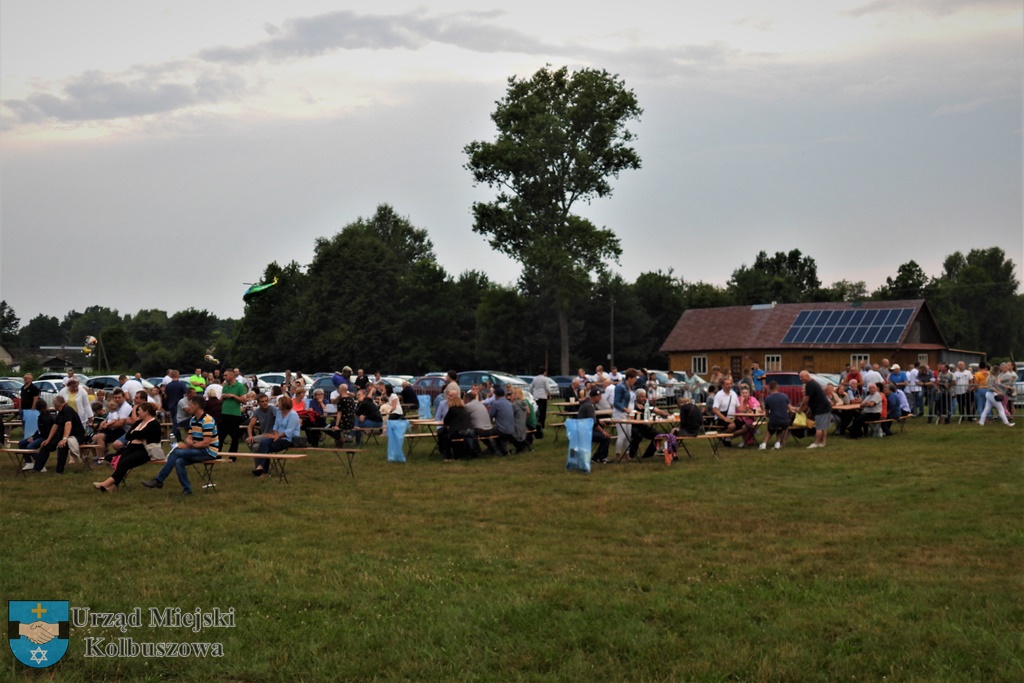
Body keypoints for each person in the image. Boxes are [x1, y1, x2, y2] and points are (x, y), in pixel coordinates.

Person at [142, 395, 219, 496]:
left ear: (197, 406)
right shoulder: (193, 420)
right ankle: (187, 490)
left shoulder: (207, 420)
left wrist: (189, 446)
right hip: (198, 449)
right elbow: (190, 437)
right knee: (179, 461)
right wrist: (188, 441)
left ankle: (159, 480)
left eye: (190, 405)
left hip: (208, 451)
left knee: (177, 452)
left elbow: (206, 443)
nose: (189, 407)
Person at [92, 402, 161, 492]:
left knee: (125, 462)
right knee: (121, 462)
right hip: (131, 447)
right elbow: (128, 435)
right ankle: (112, 487)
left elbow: (144, 434)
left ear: (146, 412)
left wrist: (135, 434)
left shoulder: (154, 424)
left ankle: (106, 483)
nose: (137, 413)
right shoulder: (139, 422)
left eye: (139, 411)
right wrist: (136, 434)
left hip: (146, 451)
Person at [32, 395, 86, 473]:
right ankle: (37, 468)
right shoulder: (60, 412)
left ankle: (59, 471)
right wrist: (48, 439)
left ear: (56, 404)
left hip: (76, 436)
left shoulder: (68, 410)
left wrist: (64, 439)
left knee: (62, 446)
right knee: (45, 446)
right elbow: (55, 426)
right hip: (64, 435)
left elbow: (68, 424)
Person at [251, 395, 301, 477]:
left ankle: (262, 470)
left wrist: (277, 437)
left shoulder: (293, 415)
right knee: (264, 443)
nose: (278, 404)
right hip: (277, 436)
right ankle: (261, 468)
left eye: (280, 403)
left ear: (284, 404)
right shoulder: (279, 412)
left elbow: (289, 431)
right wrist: (275, 435)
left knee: (266, 448)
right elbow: (275, 426)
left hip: (287, 439)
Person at [626, 388, 670, 460]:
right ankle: (631, 455)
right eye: (641, 397)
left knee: (658, 436)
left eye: (644, 396)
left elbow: (656, 410)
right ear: (636, 397)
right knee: (638, 436)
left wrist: (666, 414)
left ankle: (648, 455)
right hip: (633, 426)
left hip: (643, 426)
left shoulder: (647, 404)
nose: (644, 398)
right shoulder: (632, 404)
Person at [91, 388, 131, 458]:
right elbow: (108, 418)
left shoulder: (125, 407)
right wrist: (104, 422)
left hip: (124, 431)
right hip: (114, 429)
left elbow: (120, 423)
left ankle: (101, 458)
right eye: (115, 397)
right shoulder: (115, 405)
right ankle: (101, 455)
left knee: (100, 436)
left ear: (123, 397)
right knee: (95, 436)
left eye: (119, 397)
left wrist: (106, 426)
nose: (117, 399)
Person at [18, 397, 54, 470]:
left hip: (45, 437)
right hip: (39, 436)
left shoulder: (47, 418)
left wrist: (34, 438)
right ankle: (29, 462)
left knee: (30, 447)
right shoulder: (41, 416)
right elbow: (39, 430)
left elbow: (45, 433)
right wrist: (33, 437)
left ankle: (40, 464)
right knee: (21, 443)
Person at [576, 387, 611, 463]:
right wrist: (603, 432)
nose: (600, 399)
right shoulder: (589, 406)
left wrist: (598, 420)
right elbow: (593, 424)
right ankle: (600, 457)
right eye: (600, 397)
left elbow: (590, 417)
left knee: (603, 435)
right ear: (596, 397)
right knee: (606, 437)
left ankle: (597, 457)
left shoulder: (588, 404)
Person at [799, 370, 831, 449]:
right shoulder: (812, 383)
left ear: (807, 376)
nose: (800, 379)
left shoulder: (810, 385)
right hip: (825, 407)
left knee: (819, 427)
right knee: (823, 426)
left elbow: (806, 398)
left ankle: (816, 444)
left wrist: (800, 408)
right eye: (800, 377)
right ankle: (823, 443)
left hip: (821, 408)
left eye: (802, 377)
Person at [218, 368, 247, 457]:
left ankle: (232, 456)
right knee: (220, 435)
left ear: (232, 376)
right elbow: (220, 402)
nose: (224, 377)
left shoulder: (240, 386)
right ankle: (218, 454)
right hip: (224, 413)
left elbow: (244, 400)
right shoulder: (225, 386)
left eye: (226, 375)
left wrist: (234, 396)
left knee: (234, 436)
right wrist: (223, 397)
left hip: (234, 414)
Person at [439, 394, 477, 460]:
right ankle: (459, 454)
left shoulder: (452, 410)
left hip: (460, 431)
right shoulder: (464, 410)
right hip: (469, 430)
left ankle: (448, 456)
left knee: (445, 437)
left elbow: (446, 421)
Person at [612, 368, 638, 459]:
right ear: (629, 378)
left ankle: (627, 453)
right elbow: (616, 402)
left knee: (628, 434)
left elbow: (632, 400)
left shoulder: (631, 387)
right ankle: (618, 454)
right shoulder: (620, 387)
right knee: (622, 435)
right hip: (620, 413)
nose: (635, 380)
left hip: (629, 414)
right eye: (634, 378)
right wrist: (624, 409)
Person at [761, 381, 791, 450]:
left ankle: (764, 443)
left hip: (774, 420)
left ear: (769, 388)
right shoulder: (784, 396)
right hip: (785, 421)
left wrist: (769, 416)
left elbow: (766, 413)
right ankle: (777, 443)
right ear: (777, 387)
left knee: (771, 429)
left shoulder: (768, 398)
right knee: (780, 428)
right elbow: (790, 409)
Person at [712, 376, 740, 445]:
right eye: (727, 384)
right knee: (732, 426)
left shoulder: (733, 393)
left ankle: (726, 438)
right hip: (721, 419)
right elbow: (715, 410)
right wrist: (725, 419)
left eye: (730, 384)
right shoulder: (719, 395)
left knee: (747, 426)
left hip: (732, 418)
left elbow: (738, 408)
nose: (729, 386)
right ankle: (722, 436)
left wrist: (748, 409)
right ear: (722, 385)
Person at [487, 387, 515, 455]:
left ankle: (494, 449)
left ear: (495, 395)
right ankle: (503, 448)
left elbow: (490, 415)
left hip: (502, 430)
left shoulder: (496, 403)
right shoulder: (509, 403)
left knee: (488, 431)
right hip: (511, 429)